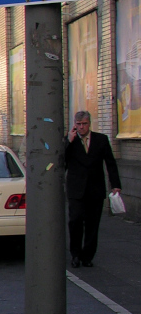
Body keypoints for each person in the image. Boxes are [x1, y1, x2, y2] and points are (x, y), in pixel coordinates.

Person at [65, 110, 123, 268]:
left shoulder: (101, 140)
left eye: (84, 124)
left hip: (95, 189)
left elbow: (110, 163)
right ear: (74, 124)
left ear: (89, 124)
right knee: (75, 221)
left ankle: (87, 256)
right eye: (78, 124)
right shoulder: (70, 140)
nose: (81, 127)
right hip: (76, 190)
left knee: (92, 224)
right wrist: (68, 142)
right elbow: (61, 163)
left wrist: (115, 184)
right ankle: (75, 254)